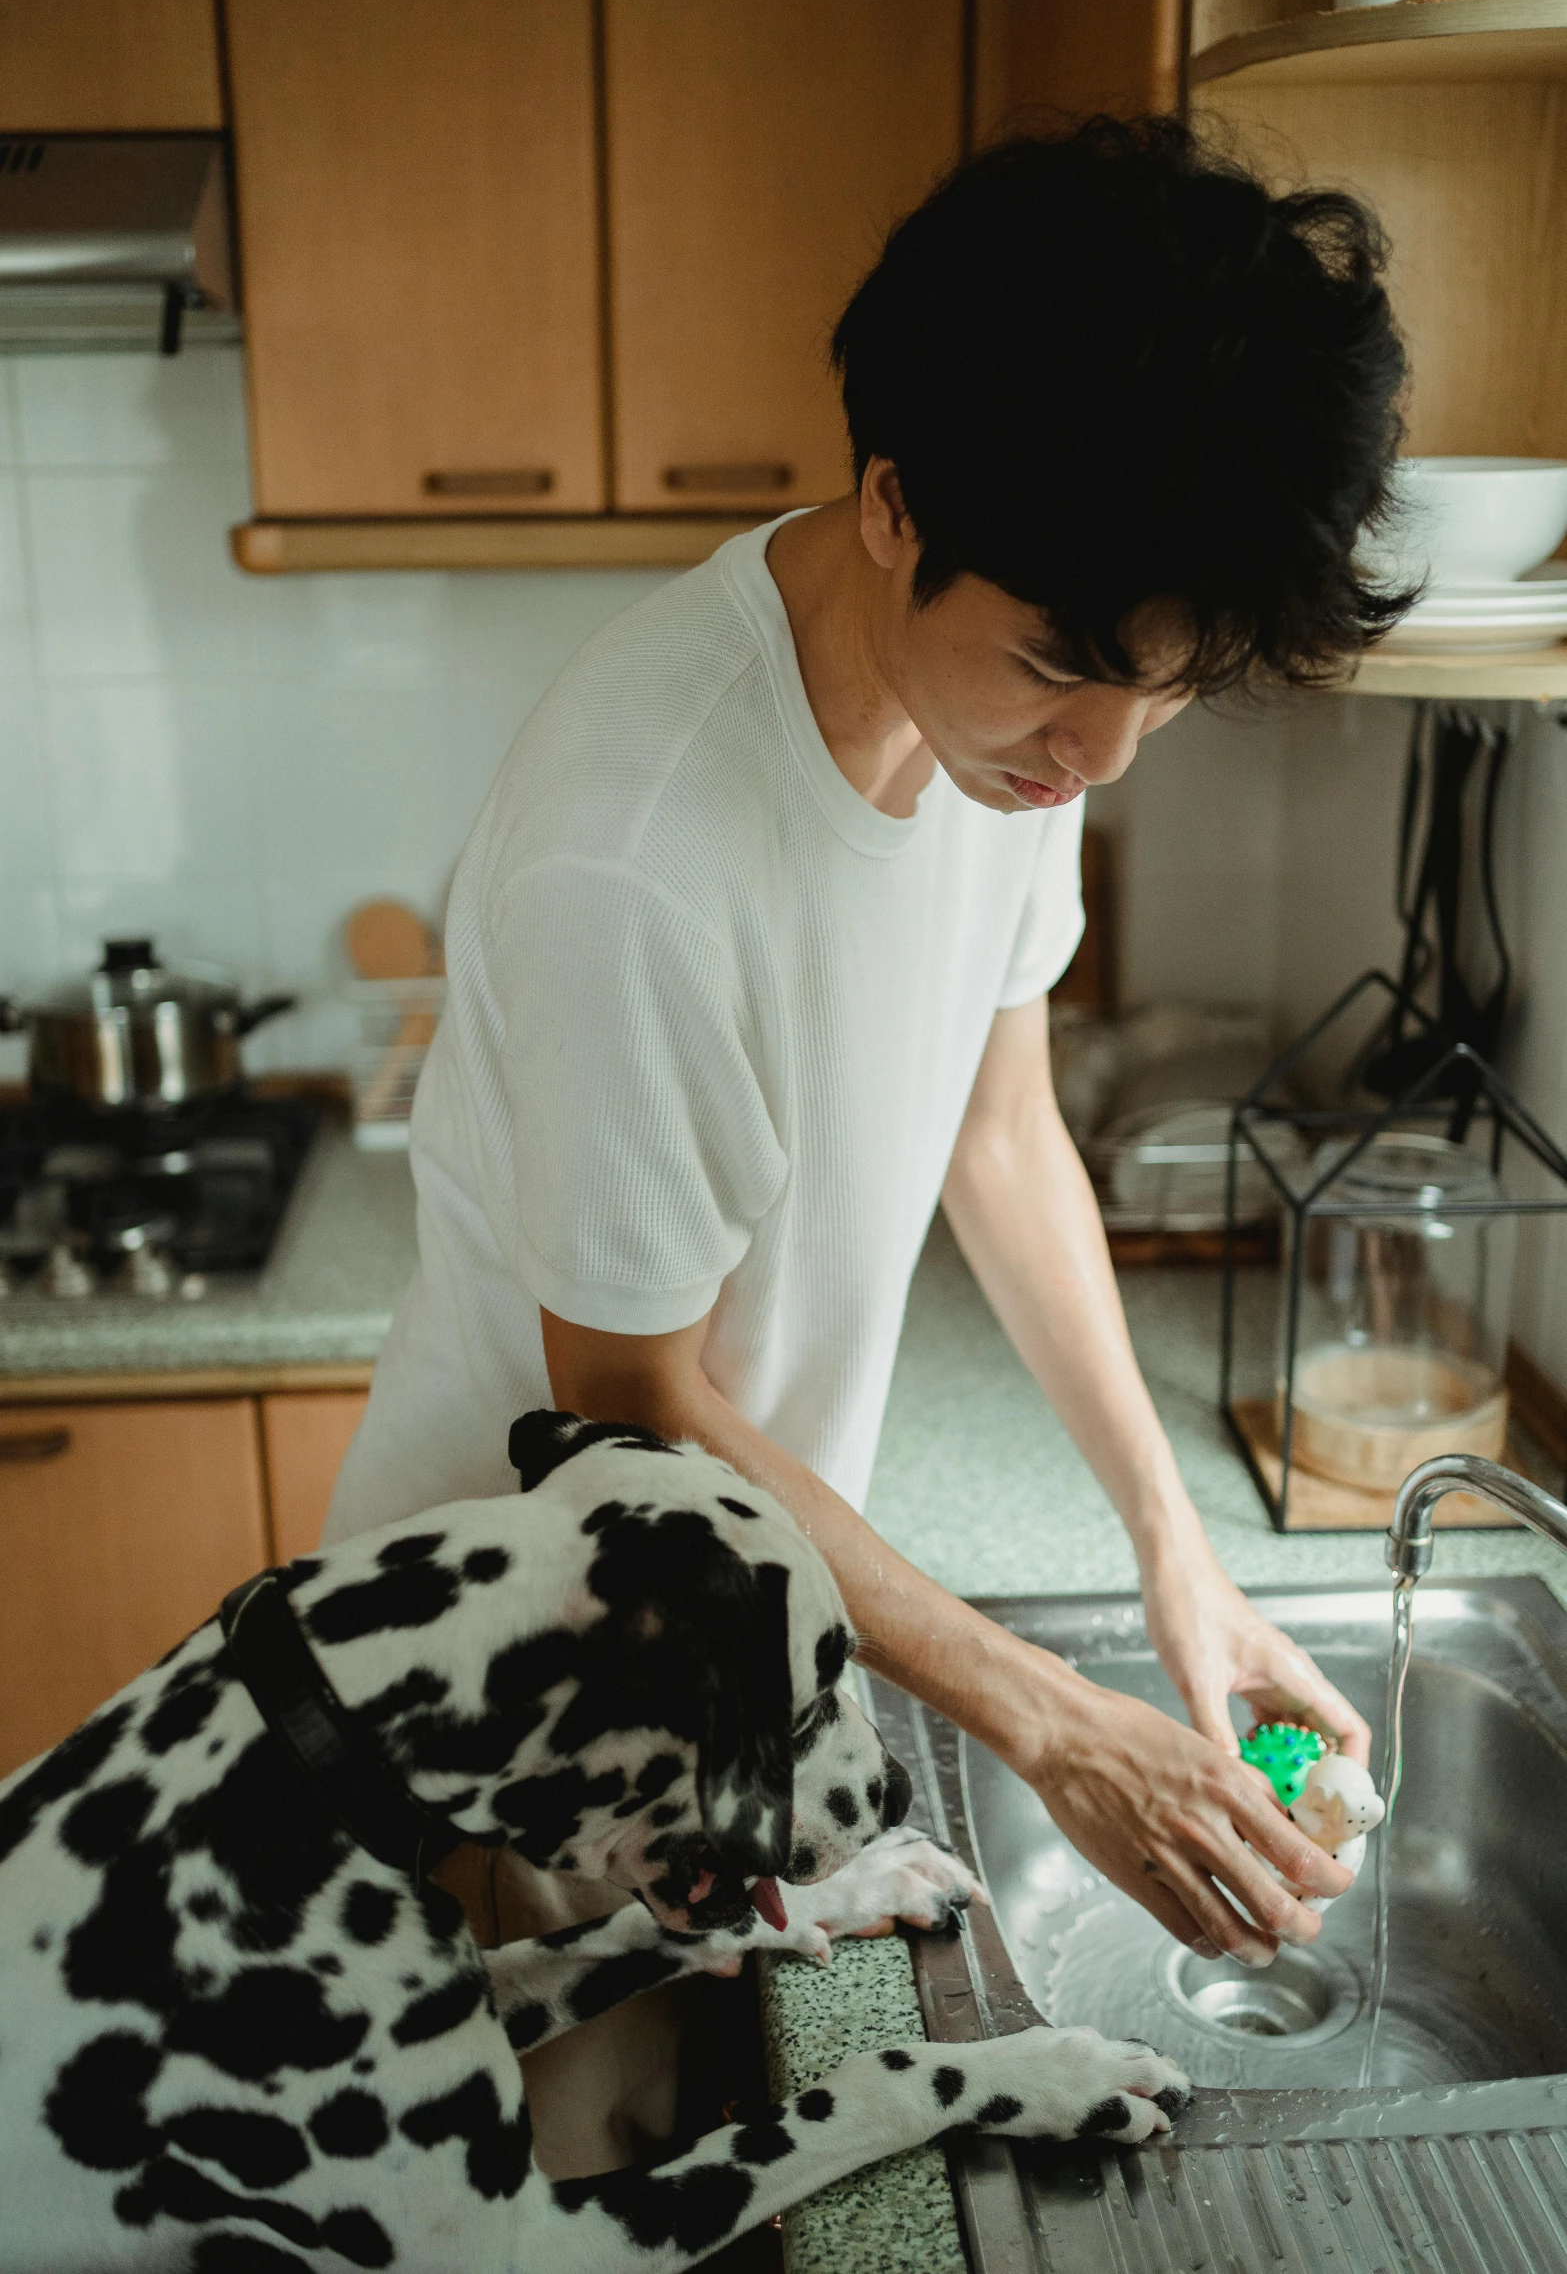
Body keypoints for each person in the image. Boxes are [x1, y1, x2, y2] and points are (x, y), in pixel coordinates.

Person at [326, 115, 1408, 2167]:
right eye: (1071, 673)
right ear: (896, 504)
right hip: (525, 1695)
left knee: (802, 2181)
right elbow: (634, 1413)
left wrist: (1174, 1558)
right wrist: (1054, 1717)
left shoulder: (1016, 716)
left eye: (1165, 694)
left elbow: (1005, 1128)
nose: (1100, 751)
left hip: (740, 1643)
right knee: (590, 2203)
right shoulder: (636, 855)